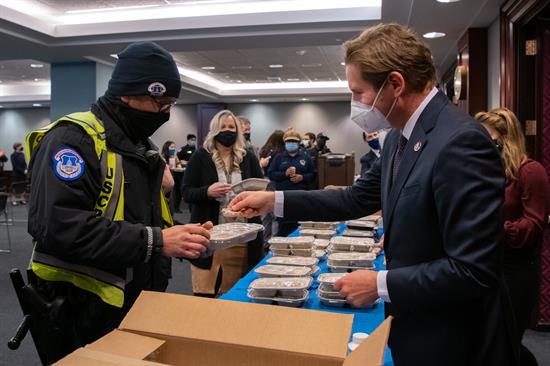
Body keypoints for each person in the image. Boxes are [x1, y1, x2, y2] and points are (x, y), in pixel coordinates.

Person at [230, 23, 517, 366]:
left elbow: (473, 270)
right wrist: (274, 200)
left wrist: (380, 284)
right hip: (417, 325)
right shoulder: (397, 138)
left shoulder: (460, 141)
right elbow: (354, 198)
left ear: (395, 84)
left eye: (358, 92)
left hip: (456, 337)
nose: (355, 104)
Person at [25, 41, 211, 363]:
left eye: (172, 103)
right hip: (81, 308)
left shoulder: (139, 145)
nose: (166, 112)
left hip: (134, 302)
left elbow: (136, 221)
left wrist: (182, 236)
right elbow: (58, 227)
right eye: (160, 102)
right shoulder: (73, 140)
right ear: (128, 93)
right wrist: (158, 240)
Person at [477, 108, 550, 366]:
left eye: (487, 141)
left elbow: (533, 225)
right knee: (487, 343)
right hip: (487, 265)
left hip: (516, 271)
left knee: (507, 344)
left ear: (506, 140)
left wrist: (493, 227)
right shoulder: (487, 172)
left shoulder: (530, 172)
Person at [182, 110, 264, 297]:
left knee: (236, 295)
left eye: (231, 127)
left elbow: (261, 188)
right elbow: (186, 192)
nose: (228, 131)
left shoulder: (248, 157)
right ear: (214, 130)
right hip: (210, 237)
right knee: (206, 294)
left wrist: (252, 196)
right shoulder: (200, 156)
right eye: (223, 127)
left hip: (242, 237)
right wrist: (207, 192)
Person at [267, 129, 314, 236]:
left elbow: (312, 175)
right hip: (282, 198)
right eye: (289, 141)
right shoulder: (279, 157)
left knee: (299, 226)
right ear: (285, 143)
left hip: (301, 197)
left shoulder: (305, 157)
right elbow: (271, 174)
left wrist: (302, 177)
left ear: (298, 143)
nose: (291, 143)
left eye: (294, 141)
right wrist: (285, 174)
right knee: (283, 227)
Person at [161, 140, 184, 213]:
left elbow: (178, 164)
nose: (173, 148)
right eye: (172, 147)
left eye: (174, 147)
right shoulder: (162, 156)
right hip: (166, 178)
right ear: (167, 147)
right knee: (167, 195)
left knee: (176, 193)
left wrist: (179, 165)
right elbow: (163, 166)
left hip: (175, 176)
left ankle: (174, 209)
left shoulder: (174, 155)